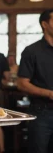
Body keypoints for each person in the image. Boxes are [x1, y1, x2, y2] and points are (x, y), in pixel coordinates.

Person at [17, 9, 53, 153]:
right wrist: (50, 94)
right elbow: (21, 83)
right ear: (45, 24)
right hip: (41, 112)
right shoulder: (31, 51)